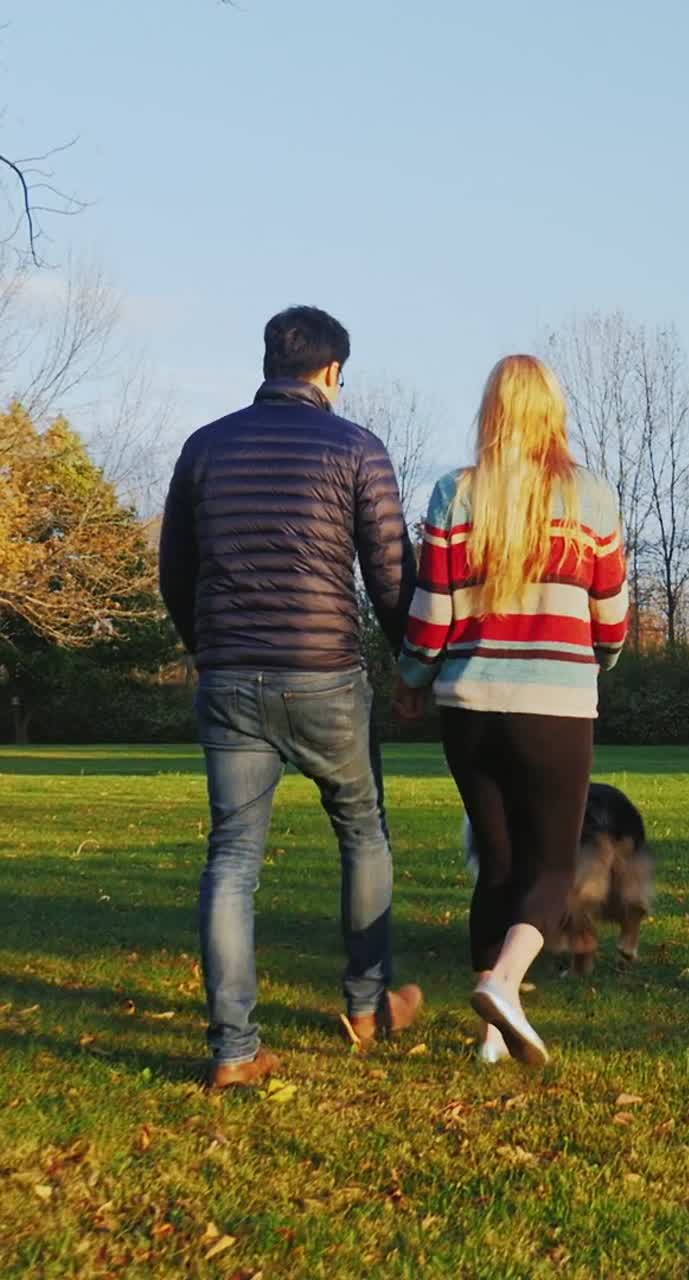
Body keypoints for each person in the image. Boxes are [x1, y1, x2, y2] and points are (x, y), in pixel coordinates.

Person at [159, 305, 422, 1088]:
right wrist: (411, 658)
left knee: (233, 861)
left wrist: (206, 648)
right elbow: (388, 576)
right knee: (362, 830)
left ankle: (235, 1051)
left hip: (231, 677)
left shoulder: (204, 447)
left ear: (271, 363)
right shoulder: (357, 448)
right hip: (325, 676)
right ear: (334, 372)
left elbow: (177, 571)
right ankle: (368, 1008)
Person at [393, 354, 628, 1066]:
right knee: (552, 867)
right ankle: (503, 983)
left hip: (468, 707)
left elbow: (431, 615)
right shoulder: (590, 497)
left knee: (495, 864)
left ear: (490, 413)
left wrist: (410, 677)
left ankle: (492, 1039)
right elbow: (611, 619)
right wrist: (601, 661)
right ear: (553, 412)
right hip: (554, 709)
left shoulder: (452, 494)